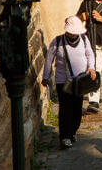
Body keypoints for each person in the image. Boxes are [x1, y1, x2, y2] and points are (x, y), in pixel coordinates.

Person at [41, 16, 97, 149]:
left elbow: (89, 54)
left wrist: (91, 68)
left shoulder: (84, 39)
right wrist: (46, 76)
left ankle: (73, 131)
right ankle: (64, 136)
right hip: (63, 81)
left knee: (77, 109)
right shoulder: (58, 41)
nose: (73, 35)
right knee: (65, 109)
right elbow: (49, 59)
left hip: (79, 81)